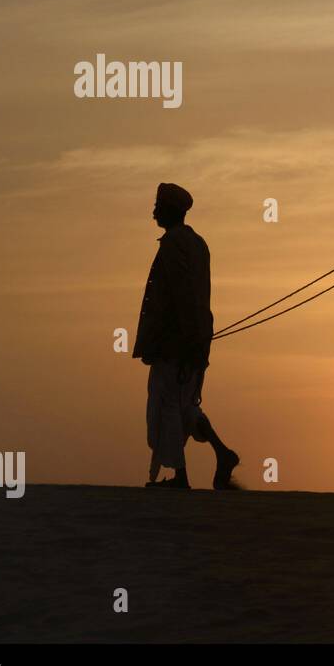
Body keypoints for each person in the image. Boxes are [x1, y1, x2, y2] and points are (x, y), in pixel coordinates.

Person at [135, 182, 239, 489]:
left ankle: (180, 477)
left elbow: (183, 296)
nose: (154, 210)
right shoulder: (197, 243)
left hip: (175, 343)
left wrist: (180, 342)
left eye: (158, 206)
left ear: (169, 210)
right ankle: (222, 453)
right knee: (185, 406)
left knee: (167, 404)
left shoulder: (173, 246)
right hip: (193, 339)